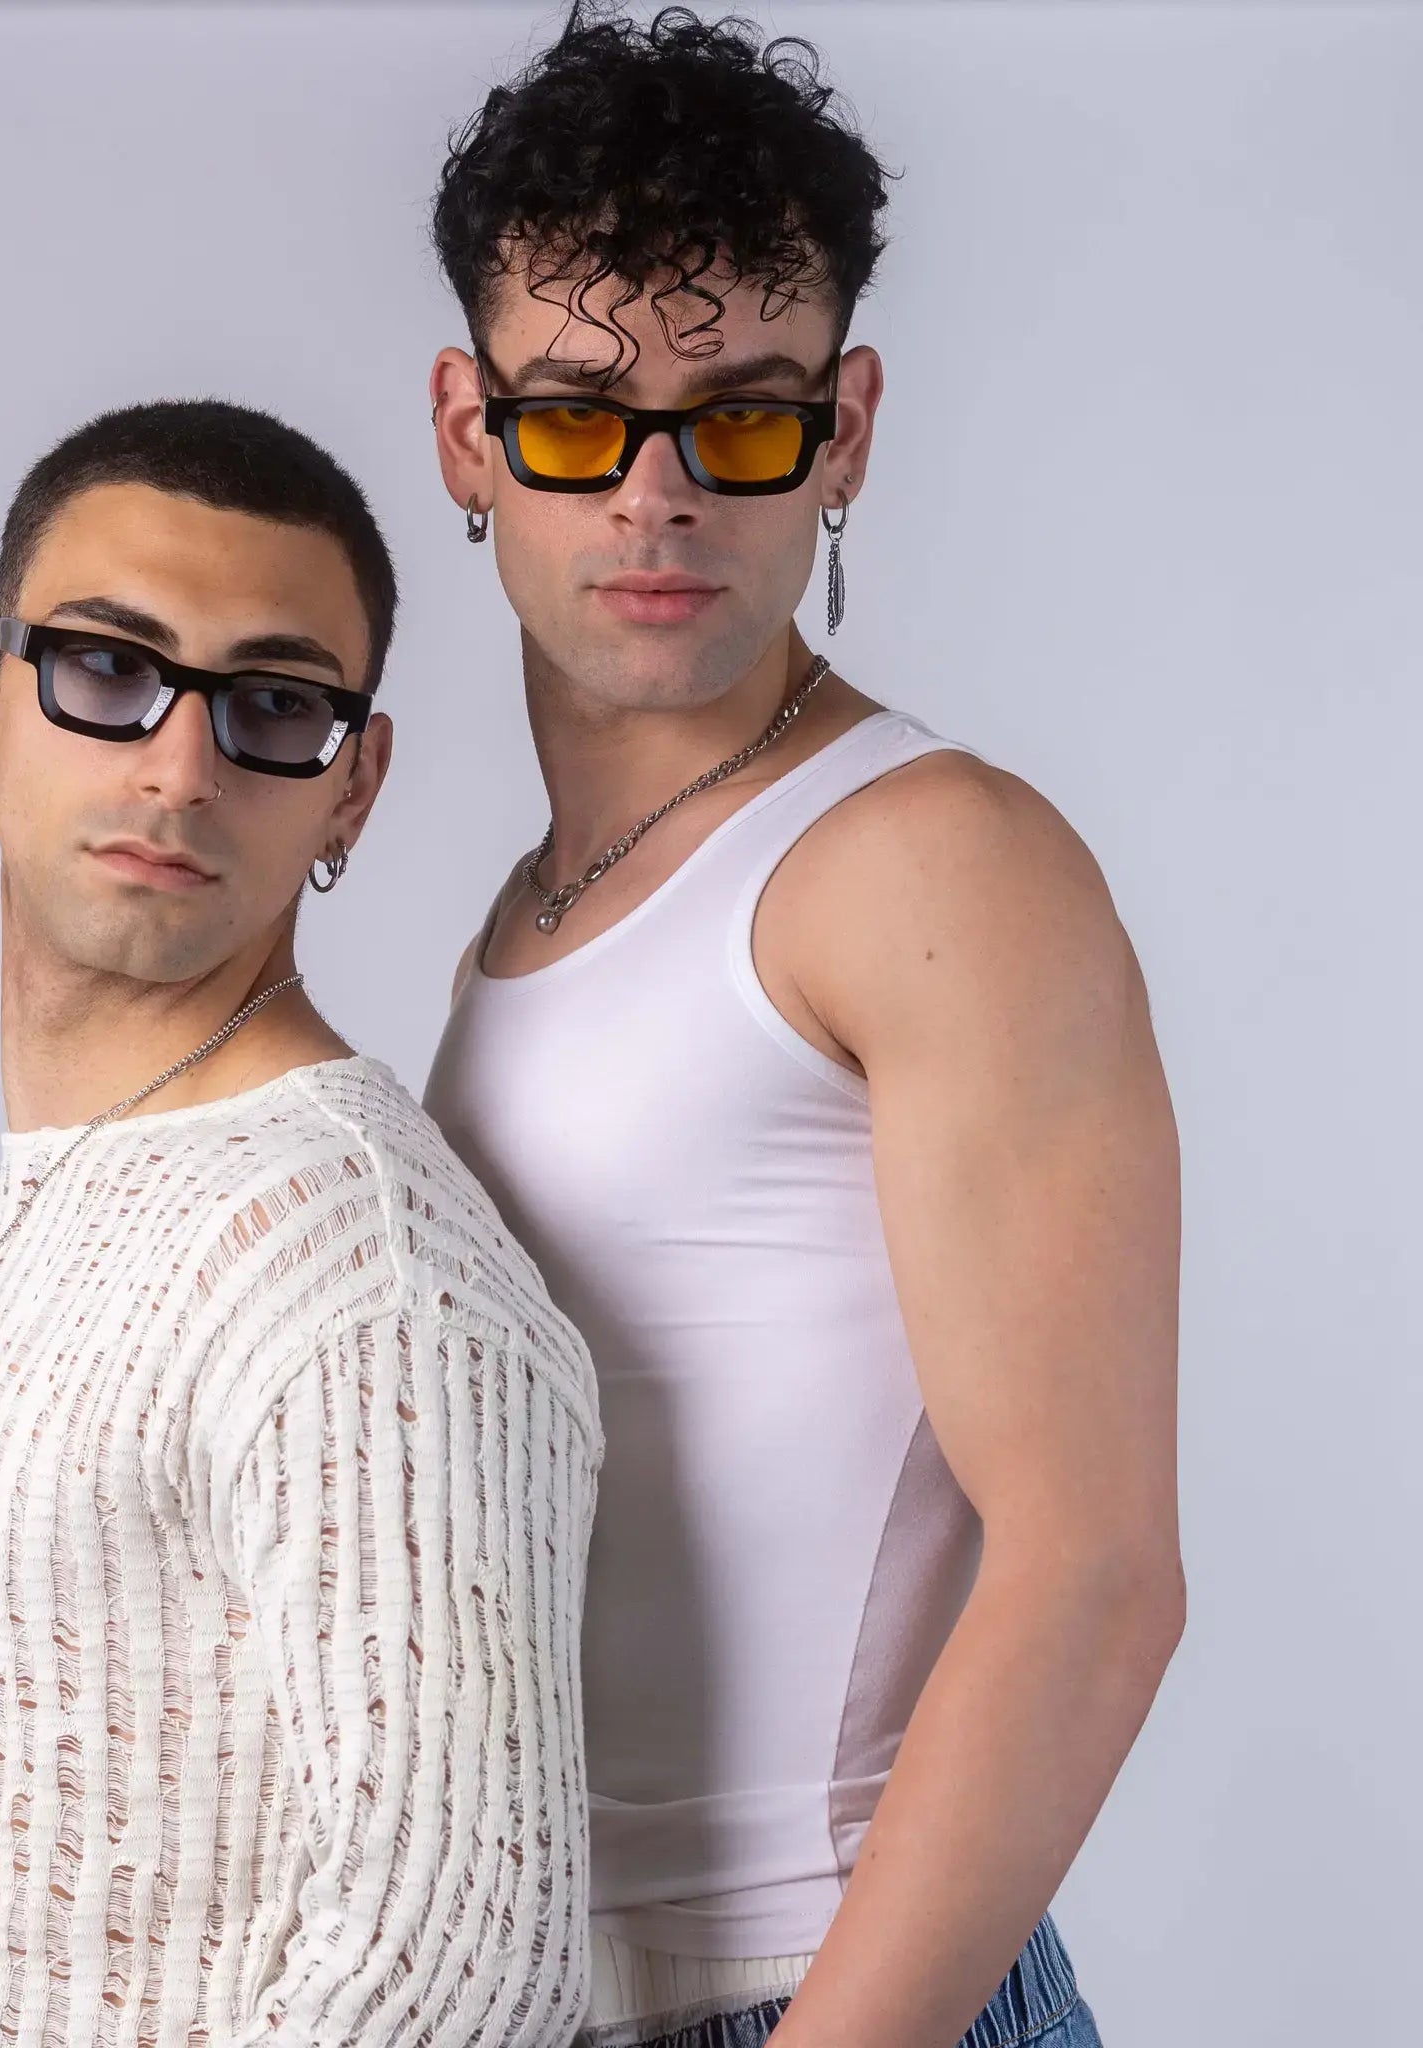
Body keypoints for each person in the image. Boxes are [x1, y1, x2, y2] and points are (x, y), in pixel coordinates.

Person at [419, 10, 1184, 2048]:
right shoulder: (533, 911)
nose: (657, 493)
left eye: (739, 415)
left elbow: (1095, 1575)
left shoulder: (930, 861)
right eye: (579, 415)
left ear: (842, 430)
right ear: (462, 430)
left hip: (826, 1997)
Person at [0, 399, 605, 2048]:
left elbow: (460, 1970)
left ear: (354, 789)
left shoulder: (354, 1261)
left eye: (272, 705)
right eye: (109, 672)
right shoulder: (89, 1177)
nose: (179, 767)